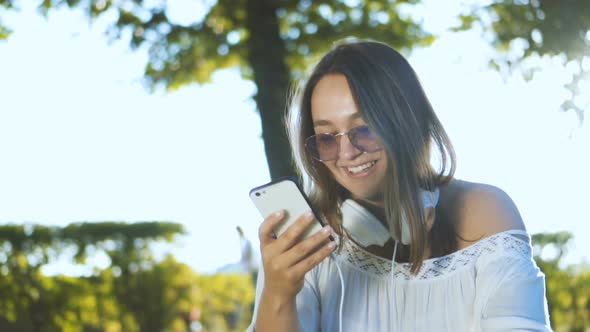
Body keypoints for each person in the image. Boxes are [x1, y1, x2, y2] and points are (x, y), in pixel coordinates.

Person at [247, 39, 551, 332]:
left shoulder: (485, 211)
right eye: (327, 138)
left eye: (363, 129)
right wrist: (278, 294)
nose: (347, 153)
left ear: (407, 121)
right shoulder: (305, 236)